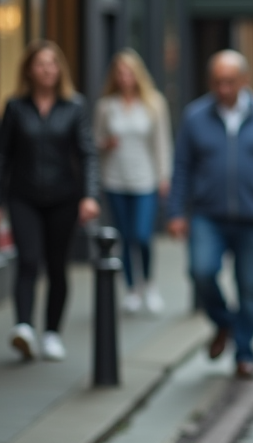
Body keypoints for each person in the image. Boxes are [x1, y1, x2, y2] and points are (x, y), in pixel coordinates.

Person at [166, 50, 253, 380]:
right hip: (208, 216)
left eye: (230, 82)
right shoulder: (196, 116)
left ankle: (245, 353)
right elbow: (182, 166)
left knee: (249, 288)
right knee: (200, 271)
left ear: (244, 81)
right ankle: (225, 323)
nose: (223, 89)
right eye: (217, 82)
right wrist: (176, 212)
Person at [0, 40, 101, 361]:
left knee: (56, 266)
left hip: (64, 198)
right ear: (29, 70)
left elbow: (88, 154)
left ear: (59, 69)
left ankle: (51, 332)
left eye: (52, 63)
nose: (47, 69)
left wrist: (90, 196)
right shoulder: (15, 107)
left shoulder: (74, 107)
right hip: (23, 197)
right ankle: (23, 327)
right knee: (28, 260)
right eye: (40, 64)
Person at [95, 49, 173, 314]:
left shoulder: (153, 103)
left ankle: (150, 285)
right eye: (120, 73)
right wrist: (105, 143)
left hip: (146, 180)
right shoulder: (107, 106)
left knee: (142, 235)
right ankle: (131, 289)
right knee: (125, 237)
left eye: (129, 72)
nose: (125, 77)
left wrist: (164, 176)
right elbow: (94, 142)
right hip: (115, 180)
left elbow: (162, 142)